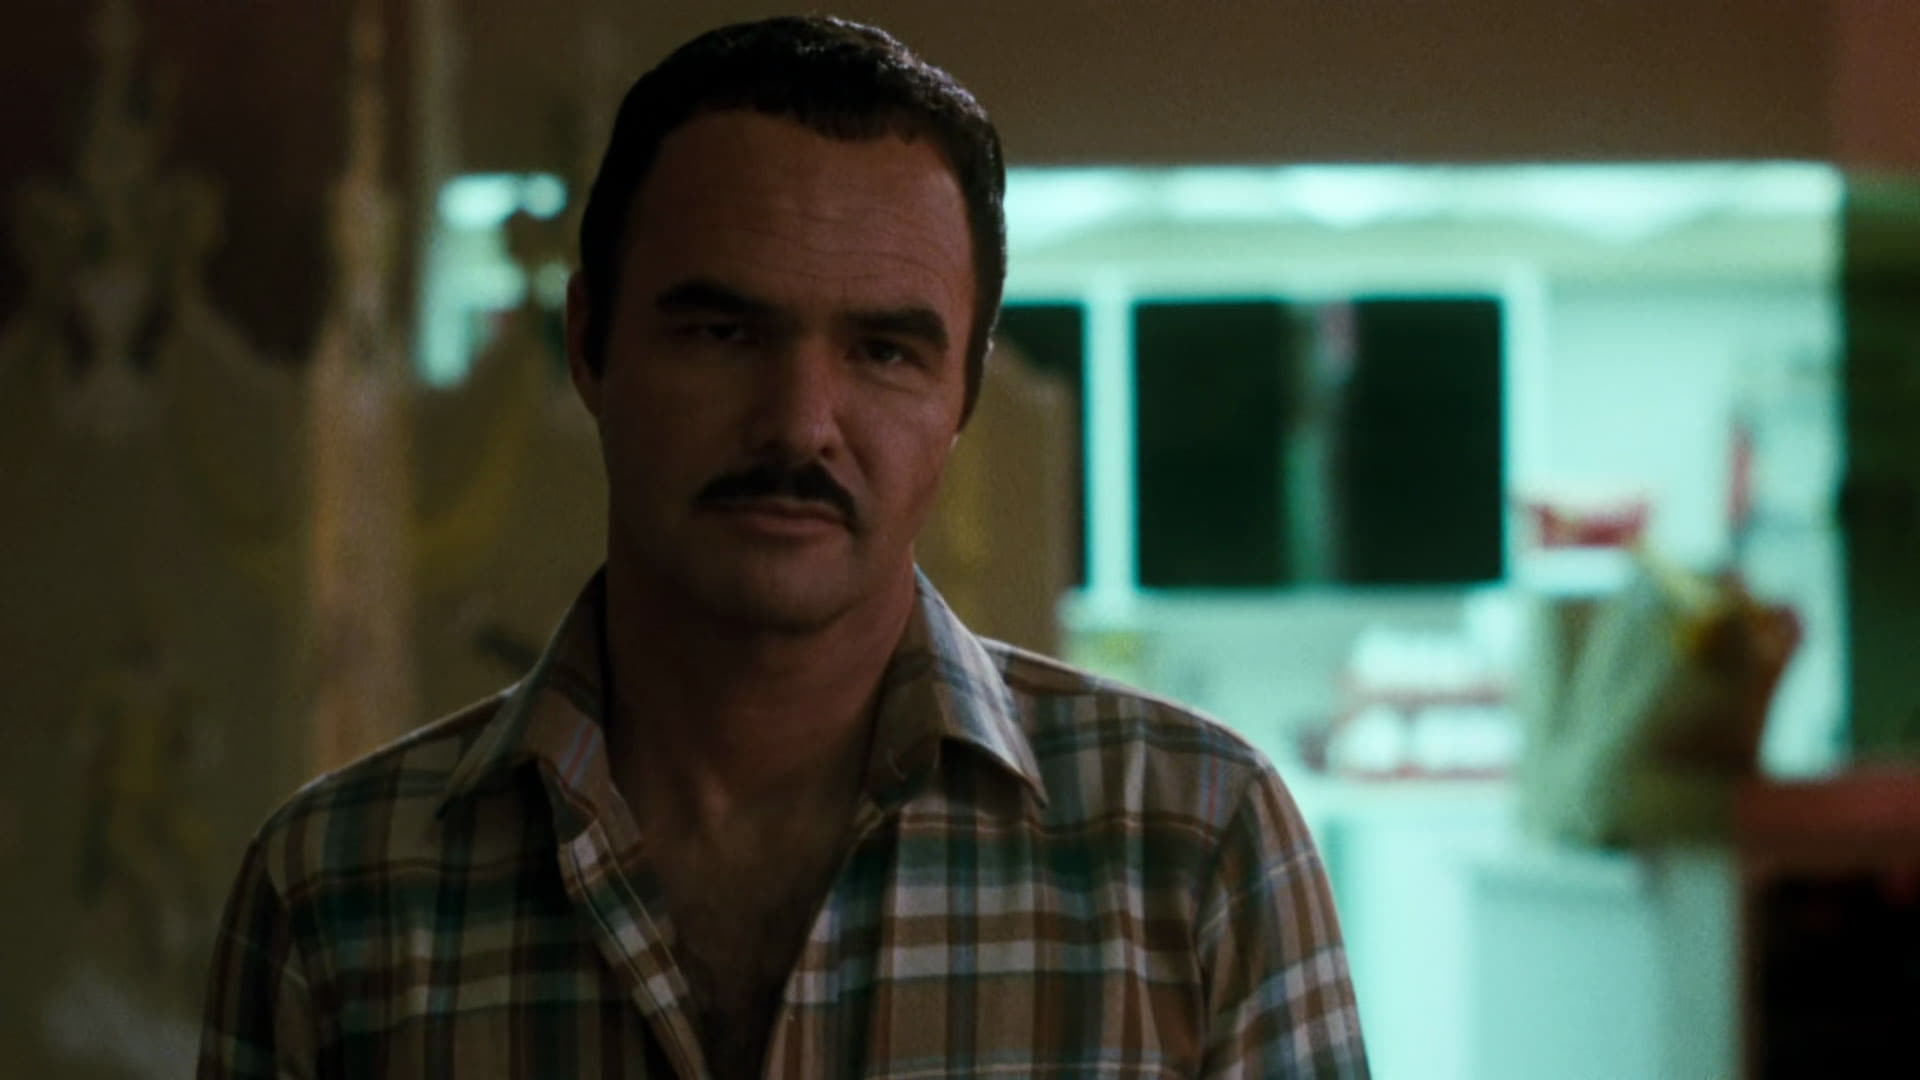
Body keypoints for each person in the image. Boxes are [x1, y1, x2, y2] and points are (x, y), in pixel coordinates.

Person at [197, 15, 1368, 1079]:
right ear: (591, 346)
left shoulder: (1192, 848)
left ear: (962, 396)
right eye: (722, 331)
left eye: (884, 352)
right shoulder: (338, 885)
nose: (800, 424)